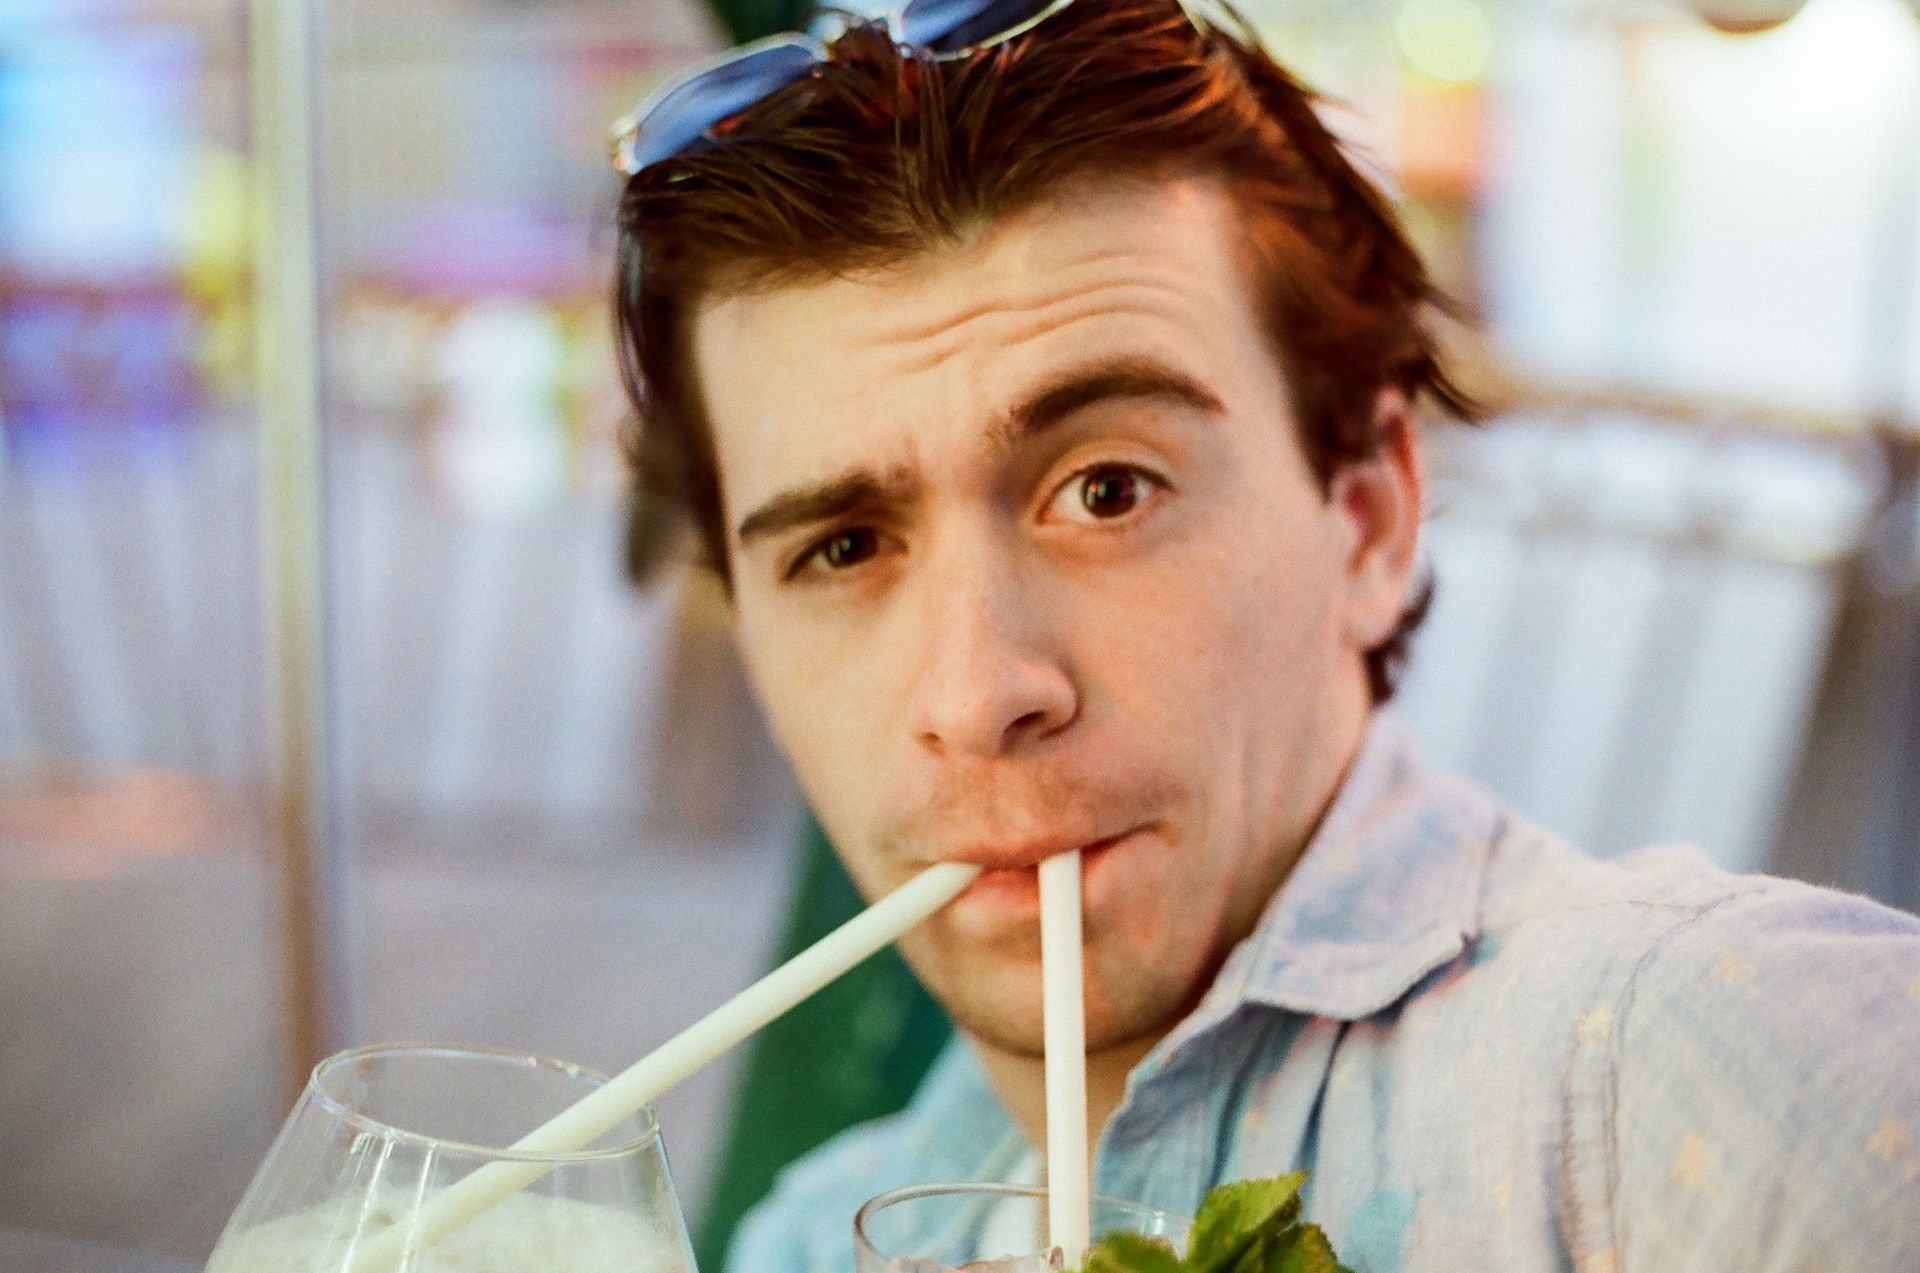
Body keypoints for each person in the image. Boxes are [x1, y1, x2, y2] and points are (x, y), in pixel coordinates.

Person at [609, 0, 1920, 1267]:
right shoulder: (811, 1238)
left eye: (1108, 490)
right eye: (842, 549)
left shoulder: (1706, 1064)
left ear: (1371, 521)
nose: (979, 691)